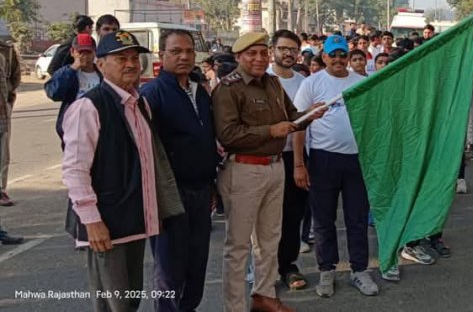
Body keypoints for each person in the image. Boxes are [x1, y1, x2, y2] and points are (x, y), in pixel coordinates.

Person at [61, 30, 185, 312]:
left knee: (129, 300)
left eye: (134, 58)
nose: (130, 64)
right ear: (100, 64)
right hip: (106, 225)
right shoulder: (89, 107)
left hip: (132, 222)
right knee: (112, 303)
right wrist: (92, 220)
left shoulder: (138, 103)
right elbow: (75, 170)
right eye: (120, 58)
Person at [212, 31, 321, 312]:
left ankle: (264, 295)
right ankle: (235, 306)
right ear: (239, 57)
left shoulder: (272, 83)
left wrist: (309, 114)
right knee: (238, 246)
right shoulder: (228, 88)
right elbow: (228, 135)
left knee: (270, 239)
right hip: (244, 169)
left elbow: (292, 117)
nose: (259, 59)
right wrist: (270, 131)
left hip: (274, 168)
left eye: (262, 53)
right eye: (252, 54)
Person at [292, 34, 379, 298]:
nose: (339, 59)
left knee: (356, 218)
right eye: (334, 55)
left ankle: (359, 271)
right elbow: (298, 126)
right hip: (323, 160)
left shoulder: (362, 83)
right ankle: (327, 270)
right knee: (323, 220)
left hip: (356, 160)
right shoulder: (312, 83)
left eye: (343, 54)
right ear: (325, 57)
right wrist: (299, 164)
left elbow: (374, 122)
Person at [140, 29, 219, 312]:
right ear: (162, 55)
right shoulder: (152, 93)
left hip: (201, 190)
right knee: (170, 267)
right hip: (169, 194)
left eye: (188, 51)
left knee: (196, 262)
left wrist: (211, 185)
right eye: (175, 51)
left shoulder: (199, 90)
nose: (184, 56)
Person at [265, 30, 311, 291]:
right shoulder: (263, 80)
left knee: (293, 214)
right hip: (265, 156)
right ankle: (262, 268)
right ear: (273, 50)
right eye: (283, 48)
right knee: (265, 217)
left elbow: (302, 123)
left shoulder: (303, 81)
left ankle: (288, 266)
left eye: (293, 49)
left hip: (295, 156)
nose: (289, 53)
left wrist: (299, 163)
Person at [44, 34, 102, 144]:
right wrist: (73, 68)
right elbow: (53, 93)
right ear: (72, 52)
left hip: (99, 130)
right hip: (74, 132)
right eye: (80, 52)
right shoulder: (66, 72)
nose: (84, 56)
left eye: (88, 52)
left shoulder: (103, 74)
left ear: (95, 53)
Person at [0, 35, 19, 207]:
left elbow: (14, 76)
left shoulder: (6, 51)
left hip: (2, 110)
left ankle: (1, 189)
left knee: (3, 152)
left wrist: (9, 99)